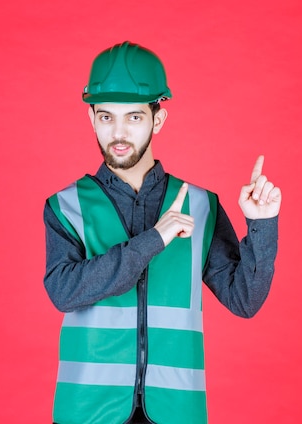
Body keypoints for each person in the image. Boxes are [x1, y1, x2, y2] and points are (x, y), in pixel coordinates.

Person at [43, 41, 281, 424]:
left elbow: (244, 301)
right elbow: (64, 292)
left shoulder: (201, 205)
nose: (118, 133)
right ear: (92, 119)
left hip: (176, 410)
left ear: (158, 120)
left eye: (134, 117)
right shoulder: (66, 206)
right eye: (106, 117)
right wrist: (154, 239)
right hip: (87, 410)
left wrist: (263, 224)